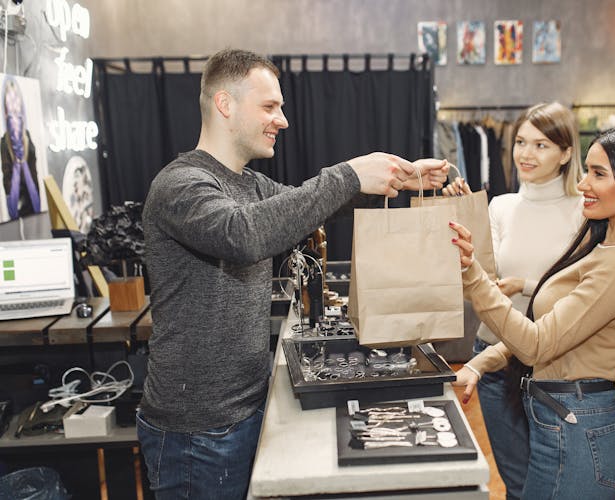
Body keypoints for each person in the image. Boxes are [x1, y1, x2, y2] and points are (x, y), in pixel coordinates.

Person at [138, 48, 448, 500]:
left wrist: (398, 176)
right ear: (225, 105)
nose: (282, 120)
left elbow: (310, 205)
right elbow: (242, 234)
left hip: (244, 410)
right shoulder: (180, 186)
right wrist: (347, 174)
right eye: (269, 106)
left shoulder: (248, 182)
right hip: (196, 433)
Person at [450, 124, 615, 498]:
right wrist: (480, 363)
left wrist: (472, 276)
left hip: (577, 432)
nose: (582, 184)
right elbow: (551, 330)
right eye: (587, 170)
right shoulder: (603, 245)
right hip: (562, 423)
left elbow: (536, 344)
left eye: (598, 174)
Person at [442, 102, 583, 499]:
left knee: (548, 481)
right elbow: (479, 279)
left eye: (541, 145)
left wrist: (525, 285)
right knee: (515, 481)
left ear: (566, 153)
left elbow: (581, 290)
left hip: (550, 360)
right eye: (521, 142)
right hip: (493, 352)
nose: (525, 153)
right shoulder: (500, 205)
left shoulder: (582, 211)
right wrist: (466, 212)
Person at [1, 75, 41, 220]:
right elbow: (7, 183)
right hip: (17, 207)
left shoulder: (28, 139)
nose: (14, 107)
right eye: (10, 102)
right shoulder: (5, 143)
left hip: (32, 206)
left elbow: (34, 175)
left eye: (16, 101)